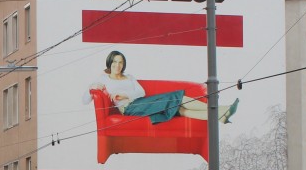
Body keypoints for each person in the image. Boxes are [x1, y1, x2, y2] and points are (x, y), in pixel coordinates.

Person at [88, 50, 239, 124]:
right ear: (110, 63)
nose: (117, 65)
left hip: (139, 102)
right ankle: (223, 109)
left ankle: (221, 115)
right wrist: (93, 87)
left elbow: (141, 92)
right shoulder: (103, 78)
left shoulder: (129, 77)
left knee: (181, 110)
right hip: (129, 109)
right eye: (114, 62)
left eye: (120, 62)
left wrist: (126, 94)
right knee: (176, 97)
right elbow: (85, 99)